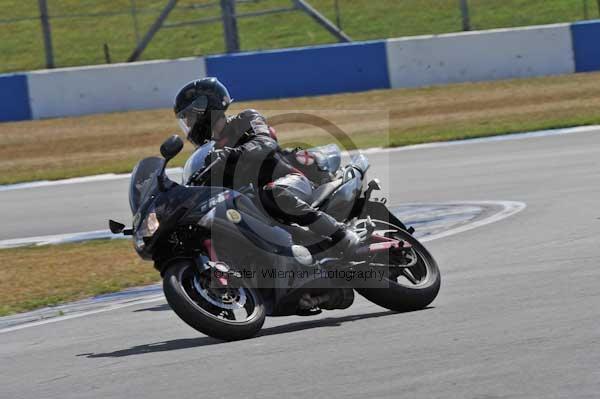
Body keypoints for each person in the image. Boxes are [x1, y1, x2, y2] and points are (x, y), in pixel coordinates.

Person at [173, 77, 359, 258]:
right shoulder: (208, 154)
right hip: (253, 204)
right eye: (184, 120)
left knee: (272, 193)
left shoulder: (246, 119)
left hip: (288, 182)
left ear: (205, 109)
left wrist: (233, 154)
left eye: (189, 118)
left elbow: (265, 143)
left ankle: (339, 234)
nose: (188, 125)